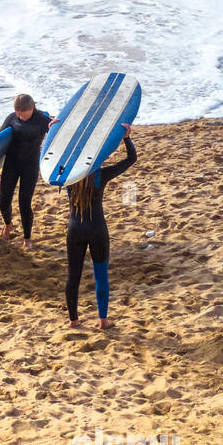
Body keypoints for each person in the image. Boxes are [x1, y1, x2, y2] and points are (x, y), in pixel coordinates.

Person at [65, 126, 137, 330]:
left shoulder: (68, 176)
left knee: (73, 276)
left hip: (75, 230)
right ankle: (103, 320)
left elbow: (49, 165)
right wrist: (126, 138)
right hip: (97, 230)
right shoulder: (102, 175)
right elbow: (131, 159)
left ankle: (73, 321)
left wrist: (53, 134)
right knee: (101, 275)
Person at [0, 93, 53, 249]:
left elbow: (57, 136)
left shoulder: (43, 120)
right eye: (16, 112)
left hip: (29, 165)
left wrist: (54, 126)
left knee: (24, 202)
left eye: (21, 113)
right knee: (3, 201)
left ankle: (27, 237)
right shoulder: (12, 118)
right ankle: (8, 224)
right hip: (11, 163)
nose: (18, 115)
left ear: (31, 108)